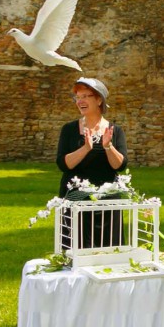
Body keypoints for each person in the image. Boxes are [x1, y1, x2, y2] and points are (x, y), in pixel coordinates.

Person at [55, 77, 128, 250]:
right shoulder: (69, 129)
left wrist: (108, 146)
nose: (80, 101)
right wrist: (86, 148)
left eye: (86, 96)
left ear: (99, 99)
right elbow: (63, 165)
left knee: (110, 250)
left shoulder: (114, 131)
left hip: (108, 201)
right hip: (75, 199)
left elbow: (120, 166)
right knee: (76, 252)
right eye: (78, 97)